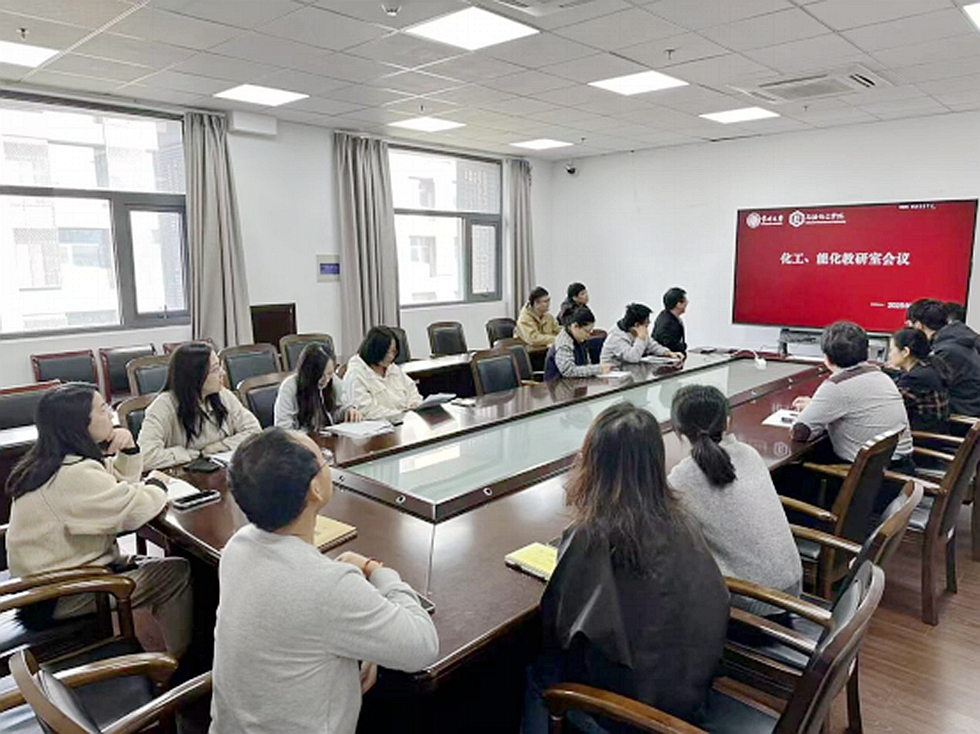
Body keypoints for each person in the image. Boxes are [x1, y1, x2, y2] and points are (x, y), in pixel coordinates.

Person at [210, 428, 439, 734]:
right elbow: (423, 646)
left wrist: (367, 643)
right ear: (315, 488)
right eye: (324, 459)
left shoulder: (237, 547)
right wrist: (375, 570)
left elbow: (299, 614)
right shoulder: (329, 587)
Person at [523, 403, 728, 733]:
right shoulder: (683, 519)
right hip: (690, 692)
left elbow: (557, 625)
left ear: (593, 463)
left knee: (533, 671)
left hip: (628, 714)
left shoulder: (593, 534)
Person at [5, 383, 192, 658]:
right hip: (61, 594)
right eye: (102, 409)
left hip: (56, 580)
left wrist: (129, 450)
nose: (111, 414)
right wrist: (158, 484)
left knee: (158, 565)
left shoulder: (53, 461)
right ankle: (177, 663)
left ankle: (161, 649)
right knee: (176, 572)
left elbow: (112, 489)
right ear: (79, 424)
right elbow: (133, 511)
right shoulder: (72, 475)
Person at [668, 385, 802, 616]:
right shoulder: (750, 453)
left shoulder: (681, 478)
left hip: (756, 602)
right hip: (792, 586)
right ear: (728, 422)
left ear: (677, 431)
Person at [791, 321, 914, 472]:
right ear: (867, 351)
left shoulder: (836, 386)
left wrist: (810, 411)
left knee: (794, 470)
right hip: (902, 469)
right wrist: (816, 406)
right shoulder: (881, 376)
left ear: (827, 359)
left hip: (868, 478)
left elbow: (800, 432)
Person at [139, 343, 262, 470]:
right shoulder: (163, 406)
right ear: (195, 376)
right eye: (215, 369)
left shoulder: (223, 395)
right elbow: (145, 457)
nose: (223, 373)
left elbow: (254, 431)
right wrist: (188, 454)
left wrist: (217, 448)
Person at [906, 299, 980, 417]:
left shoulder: (946, 351)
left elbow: (924, 382)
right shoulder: (957, 340)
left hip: (962, 414)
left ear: (919, 325)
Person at [275, 343, 362, 431]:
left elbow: (336, 411)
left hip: (326, 435)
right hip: (302, 437)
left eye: (329, 374)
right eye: (321, 375)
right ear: (308, 372)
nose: (326, 380)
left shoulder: (333, 380)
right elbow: (283, 428)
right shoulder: (290, 387)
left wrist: (348, 411)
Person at [345, 326, 423, 420]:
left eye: (393, 352)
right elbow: (367, 410)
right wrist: (401, 414)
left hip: (404, 419)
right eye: (386, 352)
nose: (391, 357)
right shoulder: (356, 373)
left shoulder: (391, 367)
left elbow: (411, 388)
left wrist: (414, 402)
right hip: (380, 424)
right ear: (374, 350)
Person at [885, 327, 950, 433]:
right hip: (936, 432)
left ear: (905, 352)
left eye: (891, 350)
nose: (889, 355)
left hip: (922, 437)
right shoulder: (931, 367)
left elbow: (890, 406)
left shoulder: (915, 379)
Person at [600, 303, 684, 367]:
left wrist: (668, 353)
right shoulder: (616, 337)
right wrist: (640, 338)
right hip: (612, 375)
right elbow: (633, 358)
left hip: (630, 371)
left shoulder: (636, 331)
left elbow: (652, 345)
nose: (649, 324)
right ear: (637, 325)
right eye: (646, 323)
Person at [545, 306, 611, 380]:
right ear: (575, 326)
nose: (589, 335)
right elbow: (569, 371)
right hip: (557, 384)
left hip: (576, 383)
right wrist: (599, 369)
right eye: (587, 331)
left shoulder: (579, 339)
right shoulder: (564, 343)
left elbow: (586, 364)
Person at [653, 287, 688, 354]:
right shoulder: (667, 323)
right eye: (685, 301)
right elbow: (669, 345)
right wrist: (683, 346)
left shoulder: (667, 316)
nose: (687, 303)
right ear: (678, 304)